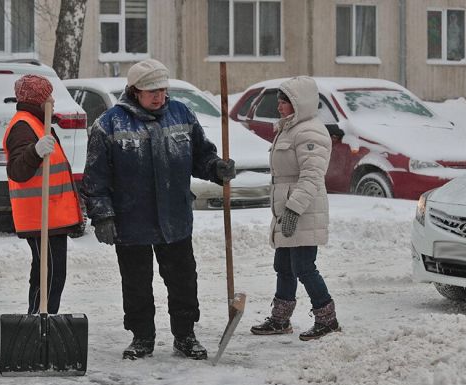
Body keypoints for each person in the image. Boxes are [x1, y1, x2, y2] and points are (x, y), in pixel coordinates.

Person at [83, 59, 236, 360]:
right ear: (134, 91)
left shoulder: (181, 114)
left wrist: (216, 168)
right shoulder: (109, 124)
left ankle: (185, 335)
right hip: (131, 221)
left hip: (174, 217)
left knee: (183, 280)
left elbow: (201, 156)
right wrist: (102, 215)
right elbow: (95, 177)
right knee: (137, 283)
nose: (158, 96)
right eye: (151, 90)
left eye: (162, 90)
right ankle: (142, 337)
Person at [249, 76, 341, 341]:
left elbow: (312, 176)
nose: (279, 105)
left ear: (300, 103)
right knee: (284, 265)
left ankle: (328, 319)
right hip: (287, 208)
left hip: (303, 210)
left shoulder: (310, 131)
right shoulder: (289, 128)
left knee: (304, 266)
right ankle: (280, 319)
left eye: (285, 101)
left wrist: (293, 209)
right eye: (279, 100)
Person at [3, 74, 83, 315]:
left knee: (51, 274)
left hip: (52, 215)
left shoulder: (39, 123)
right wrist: (35, 152)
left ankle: (41, 320)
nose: (53, 100)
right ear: (38, 100)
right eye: (48, 95)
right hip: (40, 217)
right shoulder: (23, 126)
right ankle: (38, 321)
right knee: (48, 275)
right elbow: (17, 170)